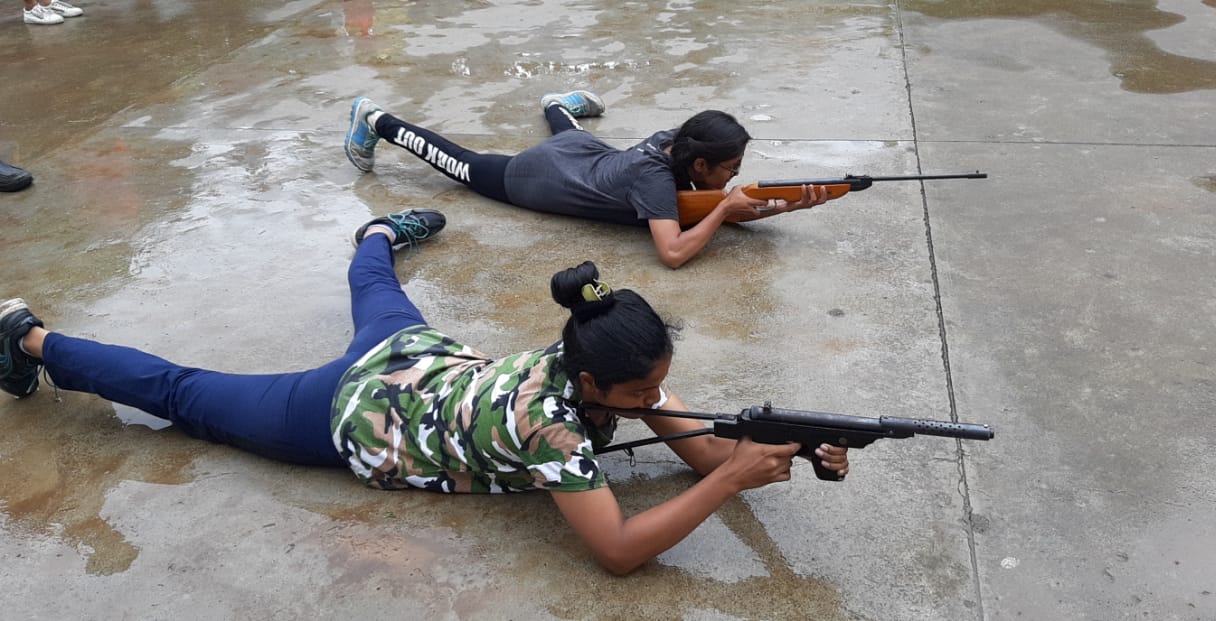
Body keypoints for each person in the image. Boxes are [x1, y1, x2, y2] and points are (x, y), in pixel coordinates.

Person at [0, 208, 849, 576]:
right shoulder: (552, 425)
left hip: (422, 356)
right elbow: (619, 553)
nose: (659, 396)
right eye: (646, 388)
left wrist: (785, 447)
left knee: (379, 290)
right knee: (184, 393)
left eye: (660, 381)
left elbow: (698, 444)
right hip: (354, 412)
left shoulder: (603, 362)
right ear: (594, 382)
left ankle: (375, 232)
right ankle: (29, 337)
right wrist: (732, 478)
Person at [343, 90, 829, 269]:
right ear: (698, 164)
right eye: (728, 168)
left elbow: (707, 205)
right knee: (458, 161)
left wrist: (789, 204)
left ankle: (557, 102)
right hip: (532, 176)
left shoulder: (675, 140)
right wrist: (725, 208)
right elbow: (674, 253)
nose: (734, 176)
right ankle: (377, 119)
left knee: (570, 134)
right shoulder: (655, 180)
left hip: (584, 155)